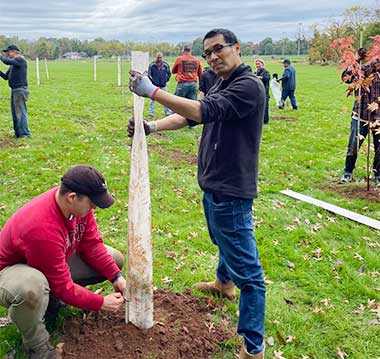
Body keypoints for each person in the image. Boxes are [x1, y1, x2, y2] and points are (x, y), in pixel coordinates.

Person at [129, 28, 266, 359]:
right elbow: (193, 116)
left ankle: (253, 346)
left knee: (251, 275)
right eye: (207, 53)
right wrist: (153, 127)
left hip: (231, 190)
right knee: (224, 241)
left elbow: (205, 112)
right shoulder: (222, 82)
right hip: (215, 184)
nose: (213, 57)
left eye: (218, 49)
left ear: (237, 47)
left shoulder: (249, 85)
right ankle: (223, 285)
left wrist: (153, 93)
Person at [0, 165, 126, 359]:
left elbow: (92, 245)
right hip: (9, 272)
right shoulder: (42, 228)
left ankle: (50, 302)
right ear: (72, 197)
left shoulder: (77, 208)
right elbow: (62, 287)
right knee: (32, 288)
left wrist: (116, 277)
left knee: (114, 260)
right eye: (92, 203)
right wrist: (100, 302)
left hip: (44, 261)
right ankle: (38, 347)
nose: (94, 208)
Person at [340, 48, 380, 185]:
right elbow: (346, 77)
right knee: (353, 145)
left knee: (379, 148)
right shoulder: (361, 72)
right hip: (360, 115)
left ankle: (378, 175)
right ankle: (348, 172)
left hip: (378, 118)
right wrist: (357, 58)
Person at [0, 45, 31, 138]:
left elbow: (5, 61)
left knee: (21, 113)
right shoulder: (13, 65)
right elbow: (6, 77)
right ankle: (18, 133)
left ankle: (25, 134)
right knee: (15, 113)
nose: (7, 54)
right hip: (14, 91)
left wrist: (0, 56)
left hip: (20, 90)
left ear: (14, 52)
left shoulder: (20, 60)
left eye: (8, 52)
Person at [148, 52, 171, 117]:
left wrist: (166, 80)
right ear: (156, 57)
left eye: (160, 57)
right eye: (158, 57)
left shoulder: (165, 65)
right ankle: (151, 113)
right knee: (152, 100)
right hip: (154, 85)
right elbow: (149, 74)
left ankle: (167, 112)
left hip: (163, 85)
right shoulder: (152, 65)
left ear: (162, 57)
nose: (159, 59)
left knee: (165, 99)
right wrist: (153, 81)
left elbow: (169, 74)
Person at [254, 59, 270, 124]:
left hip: (264, 93)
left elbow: (267, 78)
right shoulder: (256, 72)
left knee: (265, 107)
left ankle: (265, 121)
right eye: (256, 64)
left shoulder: (266, 72)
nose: (257, 65)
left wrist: (259, 77)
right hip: (257, 93)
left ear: (263, 64)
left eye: (259, 63)